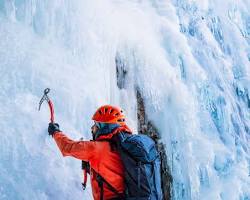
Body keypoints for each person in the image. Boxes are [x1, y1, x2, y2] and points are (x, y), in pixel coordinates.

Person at [48, 105, 132, 200]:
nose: (92, 128)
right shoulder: (124, 146)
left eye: (96, 125)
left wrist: (55, 132)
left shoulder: (96, 149)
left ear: (105, 127)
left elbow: (66, 147)